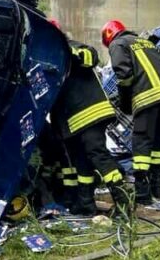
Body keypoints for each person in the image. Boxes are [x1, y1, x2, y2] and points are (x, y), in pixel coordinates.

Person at [46, 19, 129, 214]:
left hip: (89, 114)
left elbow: (90, 56)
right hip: (71, 123)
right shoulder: (46, 62)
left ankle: (124, 203)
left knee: (98, 155)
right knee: (80, 162)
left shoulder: (71, 48)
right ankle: (86, 204)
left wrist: (67, 52)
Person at [102, 19, 160, 211]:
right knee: (158, 142)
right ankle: (157, 188)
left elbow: (124, 76)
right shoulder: (144, 42)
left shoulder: (118, 44)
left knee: (141, 141)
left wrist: (125, 103)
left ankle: (143, 195)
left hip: (147, 97)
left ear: (109, 36)